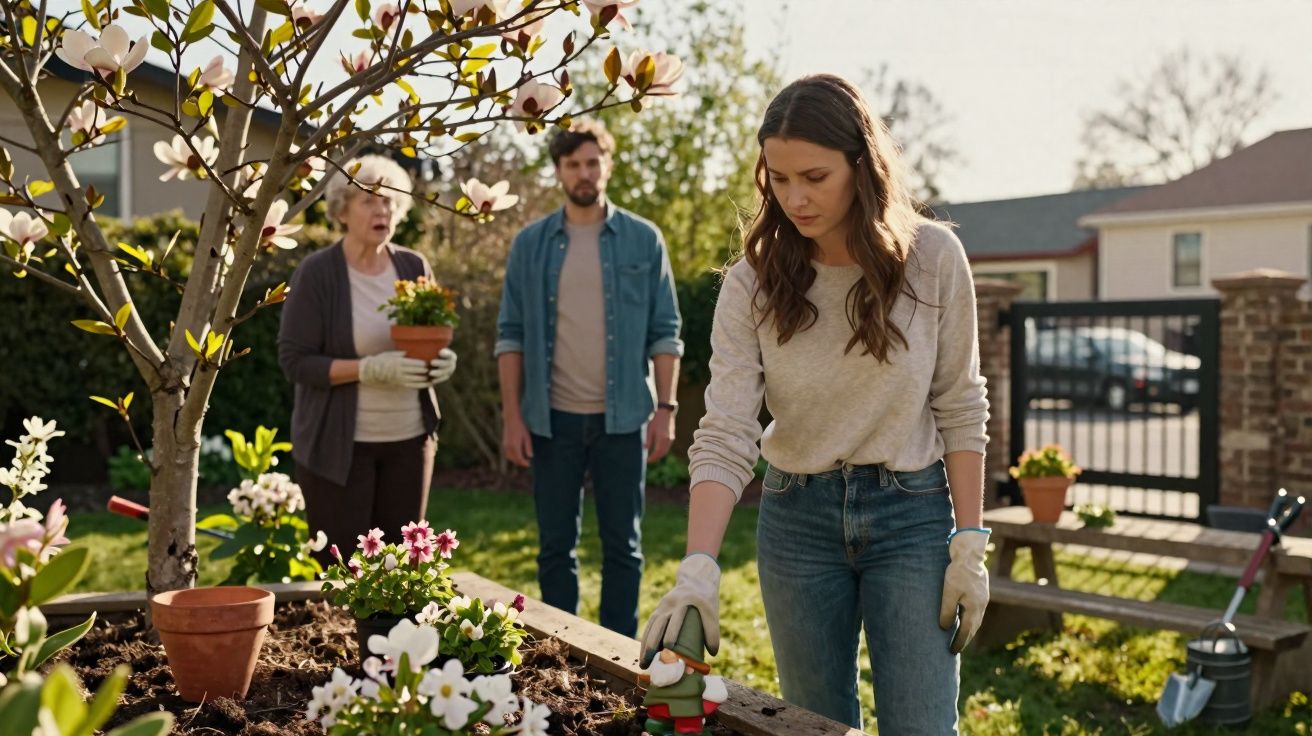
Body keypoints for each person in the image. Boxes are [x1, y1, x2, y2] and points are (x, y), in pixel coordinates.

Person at [639, 74, 992, 734]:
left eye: (814, 176)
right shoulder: (754, 282)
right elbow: (727, 429)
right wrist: (697, 567)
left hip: (910, 517)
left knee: (922, 724)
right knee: (814, 726)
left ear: (862, 165)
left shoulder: (933, 259)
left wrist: (969, 541)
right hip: (797, 519)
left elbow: (960, 404)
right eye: (777, 178)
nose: (794, 197)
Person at [495, 119, 683, 637]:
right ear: (558, 170)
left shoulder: (644, 240)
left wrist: (665, 411)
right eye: (573, 163)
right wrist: (513, 417)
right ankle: (562, 650)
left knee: (624, 548)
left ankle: (617, 652)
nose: (584, 172)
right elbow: (509, 334)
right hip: (550, 420)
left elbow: (666, 330)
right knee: (556, 548)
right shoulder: (529, 244)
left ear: (608, 164)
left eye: (592, 161)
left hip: (623, 419)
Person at [278, 154, 457, 564]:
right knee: (345, 570)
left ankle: (396, 633)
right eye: (369, 200)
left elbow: (428, 332)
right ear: (342, 209)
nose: (383, 209)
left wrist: (440, 360)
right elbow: (296, 361)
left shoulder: (412, 265)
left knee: (403, 568)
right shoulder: (317, 273)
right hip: (339, 449)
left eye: (391, 201)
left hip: (409, 442)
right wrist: (368, 370)